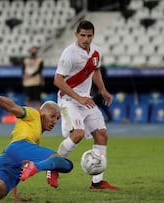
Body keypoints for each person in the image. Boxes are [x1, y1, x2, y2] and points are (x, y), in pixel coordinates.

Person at [52, 20, 118, 190]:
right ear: (76, 35)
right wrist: (79, 98)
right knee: (78, 134)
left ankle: (97, 182)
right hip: (68, 100)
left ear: (93, 35)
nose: (86, 39)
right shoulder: (69, 53)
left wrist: (103, 90)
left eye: (89, 35)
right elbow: (57, 80)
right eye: (83, 35)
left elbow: (95, 70)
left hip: (86, 100)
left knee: (102, 135)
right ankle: (53, 167)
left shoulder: (96, 52)